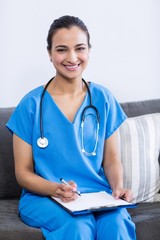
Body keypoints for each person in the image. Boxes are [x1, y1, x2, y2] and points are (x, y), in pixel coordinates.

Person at [6, 15, 136, 240]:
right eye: (61, 49)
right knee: (79, 225)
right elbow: (23, 173)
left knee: (117, 223)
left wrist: (118, 187)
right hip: (44, 198)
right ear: (49, 53)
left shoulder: (102, 99)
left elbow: (112, 160)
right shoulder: (31, 105)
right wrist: (55, 189)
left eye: (79, 48)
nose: (72, 57)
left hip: (96, 195)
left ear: (89, 51)